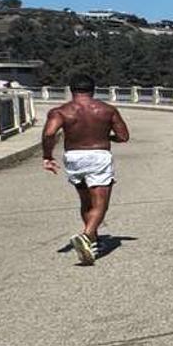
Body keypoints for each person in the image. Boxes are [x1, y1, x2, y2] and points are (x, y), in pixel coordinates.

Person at [40, 74, 130, 266]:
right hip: (98, 155)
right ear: (93, 89)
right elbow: (123, 136)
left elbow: (49, 133)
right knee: (100, 204)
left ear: (71, 90)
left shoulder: (61, 111)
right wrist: (107, 137)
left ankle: (93, 242)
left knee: (86, 202)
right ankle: (87, 236)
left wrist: (47, 156)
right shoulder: (107, 110)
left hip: (73, 157)